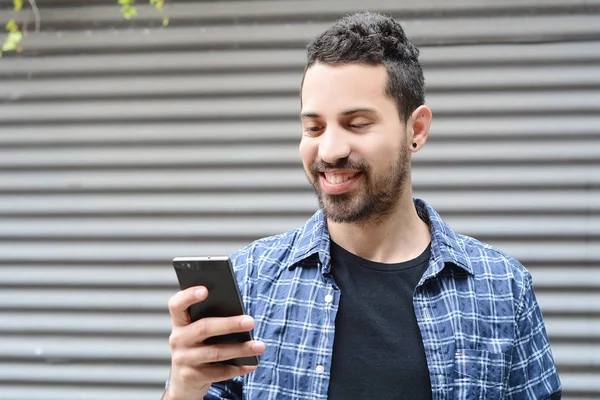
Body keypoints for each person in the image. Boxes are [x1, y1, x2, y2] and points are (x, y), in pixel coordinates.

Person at [163, 11, 562, 400]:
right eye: (314, 127)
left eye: (356, 123)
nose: (330, 150)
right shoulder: (250, 280)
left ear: (416, 129)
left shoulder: (502, 288)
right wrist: (184, 390)